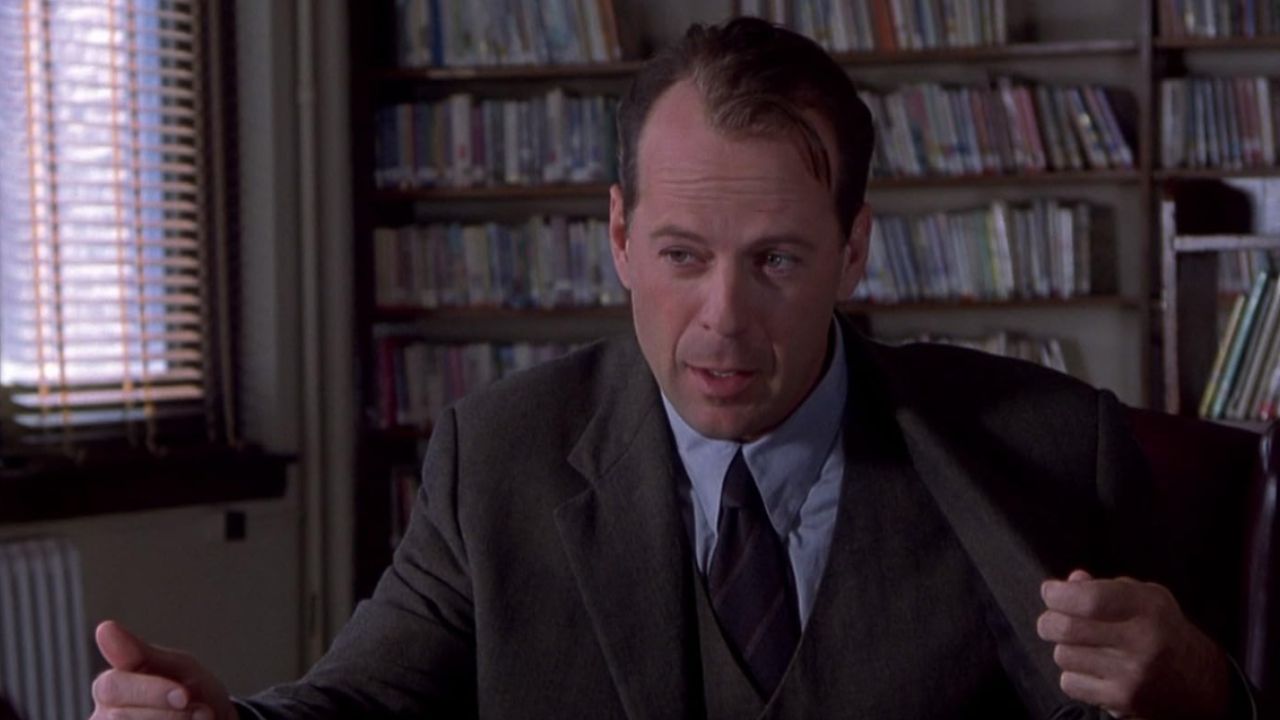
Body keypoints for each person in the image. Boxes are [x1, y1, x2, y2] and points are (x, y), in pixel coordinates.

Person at [91, 17, 1259, 720]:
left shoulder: (1051, 449)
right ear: (616, 237)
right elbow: (363, 704)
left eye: (776, 260)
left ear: (852, 249)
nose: (722, 320)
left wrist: (1204, 694)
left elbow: (1171, 701)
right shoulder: (496, 458)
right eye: (681, 256)